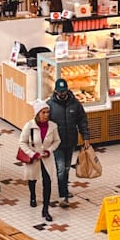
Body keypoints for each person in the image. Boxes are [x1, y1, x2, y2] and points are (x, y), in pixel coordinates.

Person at [47, 76, 89, 208]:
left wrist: (86, 138)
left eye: (64, 92)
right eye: (60, 92)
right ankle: (63, 196)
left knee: (66, 168)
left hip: (70, 141)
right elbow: (44, 124)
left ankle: (64, 189)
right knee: (60, 169)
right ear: (55, 92)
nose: (62, 94)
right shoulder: (50, 105)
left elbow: (82, 121)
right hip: (57, 144)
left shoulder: (75, 104)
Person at [18, 104, 60, 222]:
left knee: (47, 182)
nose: (46, 115)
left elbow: (57, 141)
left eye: (47, 112)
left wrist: (49, 150)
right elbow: (22, 142)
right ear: (37, 114)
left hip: (47, 159)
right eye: (43, 112)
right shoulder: (29, 126)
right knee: (32, 179)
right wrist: (33, 154)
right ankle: (33, 196)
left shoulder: (53, 126)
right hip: (34, 158)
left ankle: (45, 209)